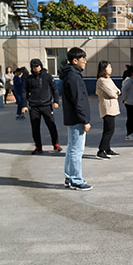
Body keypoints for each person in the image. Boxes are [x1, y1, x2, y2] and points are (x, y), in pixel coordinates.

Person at [60, 47, 92, 191]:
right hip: (77, 119)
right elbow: (78, 100)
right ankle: (76, 180)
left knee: (72, 148)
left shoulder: (71, 75)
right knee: (76, 150)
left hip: (73, 118)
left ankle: (69, 177)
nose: (85, 61)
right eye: (82, 59)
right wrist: (84, 120)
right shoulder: (73, 76)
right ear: (75, 60)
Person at [21, 59, 62, 155]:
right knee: (35, 128)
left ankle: (55, 144)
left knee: (51, 125)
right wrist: (24, 105)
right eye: (34, 66)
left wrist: (56, 101)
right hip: (34, 106)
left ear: (41, 66)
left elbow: (54, 89)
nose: (36, 68)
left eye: (38, 66)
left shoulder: (47, 76)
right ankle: (38, 146)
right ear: (31, 68)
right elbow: (24, 92)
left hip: (46, 105)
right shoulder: (29, 79)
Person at [95, 61, 121, 159]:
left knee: (109, 129)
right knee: (109, 130)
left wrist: (116, 92)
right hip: (107, 108)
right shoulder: (101, 80)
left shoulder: (108, 79)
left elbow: (118, 90)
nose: (111, 69)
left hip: (112, 107)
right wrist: (116, 92)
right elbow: (112, 94)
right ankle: (101, 150)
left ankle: (107, 148)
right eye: (109, 67)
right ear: (103, 69)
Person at [122, 66, 133, 141]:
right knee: (130, 118)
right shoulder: (128, 80)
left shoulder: (132, 80)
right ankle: (129, 134)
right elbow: (124, 89)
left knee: (132, 118)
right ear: (131, 73)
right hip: (130, 102)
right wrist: (125, 98)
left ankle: (130, 133)